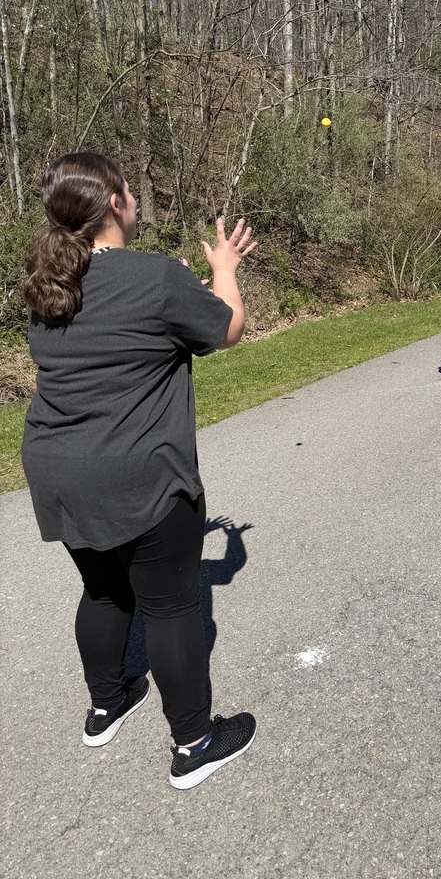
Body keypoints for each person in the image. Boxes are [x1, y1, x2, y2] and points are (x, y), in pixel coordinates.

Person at [22, 152, 258, 790]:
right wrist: (224, 271)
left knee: (103, 590)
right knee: (173, 608)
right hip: (141, 477)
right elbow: (229, 327)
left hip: (58, 473)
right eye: (129, 189)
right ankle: (195, 745)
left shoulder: (47, 285)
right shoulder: (154, 278)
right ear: (118, 204)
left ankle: (105, 705)